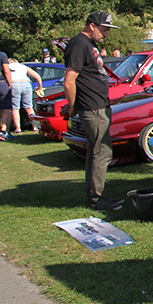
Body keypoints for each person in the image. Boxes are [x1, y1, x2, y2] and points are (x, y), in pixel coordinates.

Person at [63, 12, 123, 211]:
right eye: (103, 30)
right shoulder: (78, 44)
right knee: (102, 152)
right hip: (92, 107)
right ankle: (97, 199)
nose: (105, 34)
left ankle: (94, 195)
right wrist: (73, 106)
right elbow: (69, 81)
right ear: (92, 26)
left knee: (96, 151)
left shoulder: (88, 44)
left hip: (98, 105)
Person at [7, 57, 43, 134]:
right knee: (29, 107)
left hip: (14, 84)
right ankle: (35, 126)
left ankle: (18, 128)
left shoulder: (8, 67)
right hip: (26, 84)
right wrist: (40, 87)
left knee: (15, 108)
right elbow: (38, 77)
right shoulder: (23, 66)